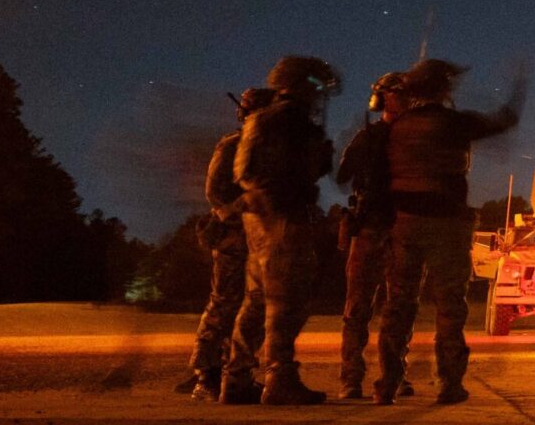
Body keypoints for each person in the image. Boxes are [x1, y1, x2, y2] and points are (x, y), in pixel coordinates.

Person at [374, 58, 525, 406]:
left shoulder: (397, 127)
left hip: (404, 224)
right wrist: (517, 89)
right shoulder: (454, 124)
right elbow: (503, 122)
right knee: (449, 307)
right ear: (442, 89)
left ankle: (387, 383)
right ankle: (449, 383)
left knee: (398, 305)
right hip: (447, 226)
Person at [232, 54, 339, 405]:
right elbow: (274, 173)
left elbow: (245, 172)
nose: (318, 94)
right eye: (313, 86)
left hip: (261, 218)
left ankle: (235, 377)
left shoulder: (263, 120)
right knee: (286, 300)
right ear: (296, 85)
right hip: (282, 217)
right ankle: (279, 378)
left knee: (257, 298)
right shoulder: (290, 121)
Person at [175, 87, 271, 402]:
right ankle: (205, 375)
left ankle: (234, 372)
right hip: (233, 237)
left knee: (251, 307)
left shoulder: (264, 150)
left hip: (257, 238)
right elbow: (215, 193)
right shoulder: (232, 146)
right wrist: (247, 206)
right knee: (223, 304)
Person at [335, 71, 415, 400]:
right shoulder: (370, 137)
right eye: (398, 95)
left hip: (399, 228)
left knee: (398, 307)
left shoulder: (402, 138)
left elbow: (342, 174)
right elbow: (345, 174)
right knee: (359, 307)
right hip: (372, 227)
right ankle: (352, 379)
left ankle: (391, 376)